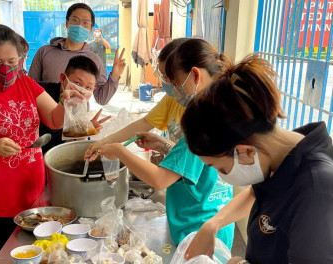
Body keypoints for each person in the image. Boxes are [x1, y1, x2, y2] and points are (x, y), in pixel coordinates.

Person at [0, 24, 83, 264]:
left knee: (36, 249)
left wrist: (66, 102)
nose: (6, 69)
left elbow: (53, 119)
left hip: (33, 186)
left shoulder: (26, 84)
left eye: (12, 61)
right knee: (2, 253)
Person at [181, 55, 333, 263]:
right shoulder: (282, 157)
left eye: (220, 168)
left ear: (245, 152)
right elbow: (257, 192)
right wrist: (213, 224)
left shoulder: (316, 190)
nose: (221, 175)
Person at [84, 38, 234, 247]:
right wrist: (164, 146)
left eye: (172, 80)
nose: (169, 87)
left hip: (200, 229)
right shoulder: (219, 110)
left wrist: (119, 151)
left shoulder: (202, 123)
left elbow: (160, 180)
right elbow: (197, 165)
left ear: (195, 75)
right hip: (206, 219)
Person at [28, 3, 126, 105]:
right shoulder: (44, 52)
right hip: (45, 117)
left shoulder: (94, 60)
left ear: (91, 29)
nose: (80, 26)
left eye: (85, 22)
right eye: (75, 20)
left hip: (77, 119)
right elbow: (29, 88)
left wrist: (114, 76)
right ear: (67, 23)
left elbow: (102, 99)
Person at [38, 55, 111, 153]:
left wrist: (84, 131)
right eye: (77, 83)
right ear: (63, 78)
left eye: (88, 88)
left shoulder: (81, 105)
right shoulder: (42, 94)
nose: (81, 91)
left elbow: (68, 142)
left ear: (93, 90)